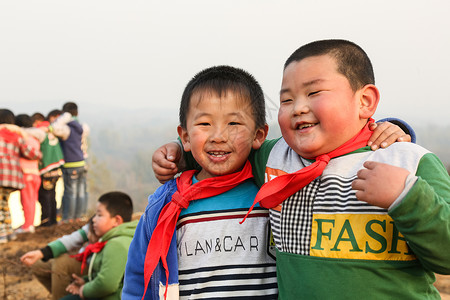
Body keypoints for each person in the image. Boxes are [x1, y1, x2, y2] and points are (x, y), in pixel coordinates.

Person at [151, 41, 449, 299]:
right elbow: (226, 148)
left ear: (365, 101)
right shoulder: (274, 158)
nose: (298, 108)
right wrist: (178, 152)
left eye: (314, 92)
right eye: (286, 99)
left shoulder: (409, 162)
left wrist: (407, 197)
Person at [123, 65, 280, 299]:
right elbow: (138, 281)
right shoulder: (167, 204)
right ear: (185, 137)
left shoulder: (273, 196)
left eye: (234, 124)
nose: (218, 136)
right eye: (205, 124)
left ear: (258, 135)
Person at [61, 191, 137, 300]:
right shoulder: (123, 238)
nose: (94, 219)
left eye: (99, 215)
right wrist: (86, 281)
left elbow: (107, 284)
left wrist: (84, 290)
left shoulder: (117, 244)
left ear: (116, 220)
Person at [21, 219, 91, 299]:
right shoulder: (95, 223)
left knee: (61, 263)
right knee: (38, 264)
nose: (95, 219)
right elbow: (75, 238)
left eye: (100, 215)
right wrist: (42, 253)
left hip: (95, 269)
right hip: (84, 259)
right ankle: (61, 296)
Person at [0, 109, 42, 243]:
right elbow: (32, 153)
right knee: (4, 204)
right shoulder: (17, 136)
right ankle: (8, 233)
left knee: (1, 205)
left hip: (1, 176)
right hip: (14, 177)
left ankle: (2, 234)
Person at [51, 102, 89, 221]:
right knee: (81, 191)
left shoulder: (67, 129)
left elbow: (53, 128)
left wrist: (63, 118)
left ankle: (68, 218)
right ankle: (80, 216)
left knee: (70, 193)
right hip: (82, 163)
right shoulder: (83, 127)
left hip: (70, 164)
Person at [15, 114, 45, 233]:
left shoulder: (22, 138)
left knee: (26, 201)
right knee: (32, 200)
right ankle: (30, 224)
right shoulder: (36, 139)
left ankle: (27, 226)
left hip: (25, 173)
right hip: (35, 174)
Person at [36, 109, 65, 226]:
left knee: (45, 196)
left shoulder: (39, 131)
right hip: (56, 169)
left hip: (46, 170)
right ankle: (53, 219)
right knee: (52, 195)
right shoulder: (54, 130)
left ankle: (46, 220)